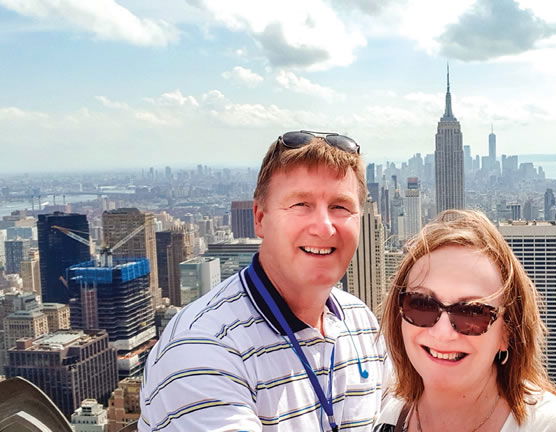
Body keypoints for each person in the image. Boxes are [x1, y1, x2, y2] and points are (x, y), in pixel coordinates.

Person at [140, 131, 386, 431]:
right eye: (300, 204)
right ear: (260, 218)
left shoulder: (361, 321)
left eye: (340, 207)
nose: (324, 227)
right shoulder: (202, 347)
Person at [374, 210, 556, 432]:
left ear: (507, 333)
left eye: (472, 312)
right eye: (422, 304)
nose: (442, 332)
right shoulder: (388, 417)